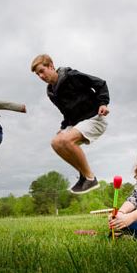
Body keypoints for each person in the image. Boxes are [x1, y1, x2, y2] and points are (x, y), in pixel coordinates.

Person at [31, 54, 110, 194]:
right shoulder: (51, 92)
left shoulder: (71, 76)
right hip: (77, 123)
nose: (41, 76)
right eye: (38, 74)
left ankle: (90, 178)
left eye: (42, 71)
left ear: (51, 66)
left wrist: (103, 103)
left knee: (67, 140)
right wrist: (63, 128)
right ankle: (84, 175)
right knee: (56, 142)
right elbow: (66, 112)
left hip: (94, 117)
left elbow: (100, 83)